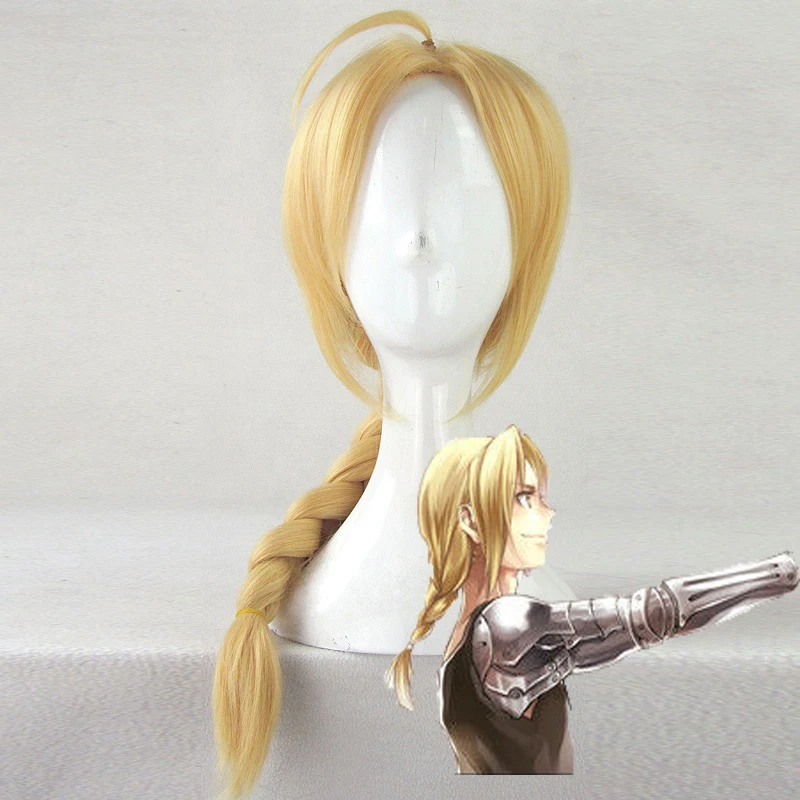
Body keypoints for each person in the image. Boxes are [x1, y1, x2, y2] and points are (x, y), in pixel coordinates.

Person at [385, 424, 798, 774]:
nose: (547, 514)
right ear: (471, 520)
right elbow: (655, 614)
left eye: (541, 497)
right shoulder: (503, 624)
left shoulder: (469, 647)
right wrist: (779, 573)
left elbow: (629, 633)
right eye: (524, 498)